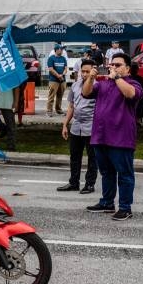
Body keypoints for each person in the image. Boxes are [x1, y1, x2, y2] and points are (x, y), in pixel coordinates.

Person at [83, 53, 143, 219]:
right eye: (112, 65)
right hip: (100, 136)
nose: (113, 67)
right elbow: (86, 93)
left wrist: (117, 77)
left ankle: (125, 207)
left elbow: (131, 94)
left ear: (127, 68)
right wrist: (90, 78)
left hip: (121, 138)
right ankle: (107, 202)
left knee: (124, 174)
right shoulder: (103, 84)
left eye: (117, 65)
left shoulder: (133, 83)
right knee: (106, 172)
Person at [60, 58, 97, 194]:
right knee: (74, 156)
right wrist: (65, 124)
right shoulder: (75, 85)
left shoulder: (97, 86)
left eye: (88, 71)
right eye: (83, 71)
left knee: (93, 158)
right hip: (76, 126)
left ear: (94, 71)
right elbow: (71, 106)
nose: (85, 74)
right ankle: (73, 182)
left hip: (92, 127)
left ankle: (90, 184)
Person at [46, 44, 68, 117]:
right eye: (61, 49)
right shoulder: (51, 58)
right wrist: (58, 75)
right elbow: (51, 69)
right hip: (53, 80)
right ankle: (49, 111)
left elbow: (65, 68)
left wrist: (63, 74)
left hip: (62, 80)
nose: (62, 50)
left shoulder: (63, 58)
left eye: (62, 49)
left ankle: (58, 110)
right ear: (56, 49)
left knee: (60, 96)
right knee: (51, 95)